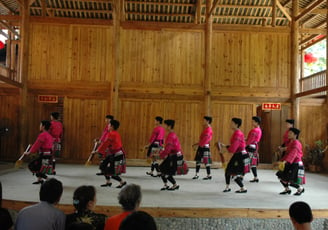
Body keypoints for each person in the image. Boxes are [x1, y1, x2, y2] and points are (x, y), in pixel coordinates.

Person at [95, 119, 127, 188]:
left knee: (112, 172)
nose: (107, 126)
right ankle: (108, 182)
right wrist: (99, 149)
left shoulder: (112, 134)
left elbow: (106, 144)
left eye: (109, 125)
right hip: (113, 154)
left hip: (117, 155)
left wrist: (99, 151)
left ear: (112, 126)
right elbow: (107, 143)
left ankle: (122, 182)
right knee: (103, 166)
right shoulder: (114, 133)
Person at [221, 118, 249, 193]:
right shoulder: (236, 133)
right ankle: (227, 187)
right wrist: (226, 146)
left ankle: (243, 188)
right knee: (228, 170)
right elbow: (234, 146)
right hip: (238, 154)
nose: (230, 124)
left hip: (241, 155)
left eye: (232, 123)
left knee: (234, 173)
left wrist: (226, 149)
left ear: (236, 124)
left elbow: (233, 148)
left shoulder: (238, 134)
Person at [276, 128, 305, 196]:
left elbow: (293, 153)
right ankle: (287, 189)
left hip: (296, 164)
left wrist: (285, 162)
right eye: (289, 133)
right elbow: (288, 149)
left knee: (292, 181)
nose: (288, 134)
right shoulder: (292, 142)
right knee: (281, 177)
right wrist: (282, 149)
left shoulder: (296, 143)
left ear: (295, 135)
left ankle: (300, 188)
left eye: (290, 133)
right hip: (290, 163)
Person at [26, 120, 55, 184]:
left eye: (40, 125)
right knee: (40, 167)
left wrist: (29, 152)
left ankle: (48, 179)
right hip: (48, 154)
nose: (39, 126)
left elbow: (37, 144)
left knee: (32, 166)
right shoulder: (49, 135)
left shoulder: (42, 135)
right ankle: (39, 180)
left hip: (43, 154)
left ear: (43, 126)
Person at [159, 119, 182, 191]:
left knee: (164, 170)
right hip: (174, 155)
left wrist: (161, 155)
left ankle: (174, 184)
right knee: (161, 168)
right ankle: (166, 184)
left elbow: (168, 148)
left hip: (173, 156)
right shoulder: (172, 134)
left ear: (169, 126)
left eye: (165, 125)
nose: (164, 126)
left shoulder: (171, 135)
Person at [246, 116, 262, 183]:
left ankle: (241, 176)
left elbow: (250, 140)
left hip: (250, 147)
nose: (252, 122)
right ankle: (255, 177)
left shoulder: (254, 130)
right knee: (252, 164)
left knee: (246, 161)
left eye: (253, 121)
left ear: (256, 122)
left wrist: (245, 144)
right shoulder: (259, 130)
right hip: (254, 147)